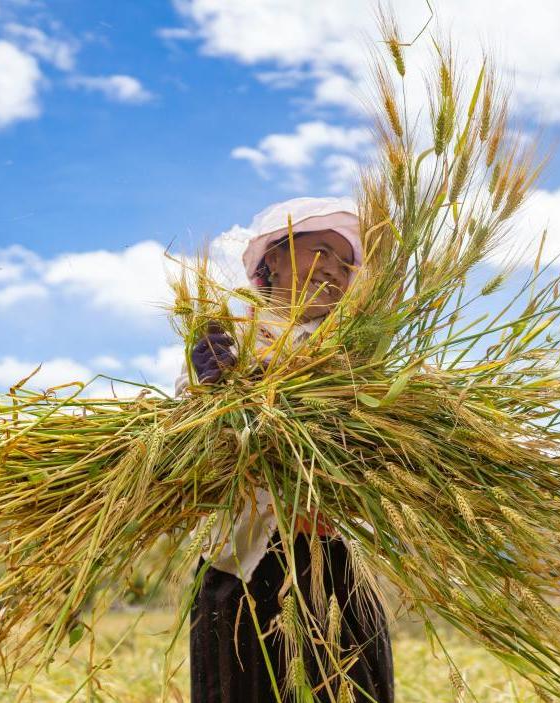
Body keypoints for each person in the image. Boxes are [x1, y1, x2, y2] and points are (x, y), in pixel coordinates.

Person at [175, 197, 395, 703]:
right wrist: (214, 392)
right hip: (245, 565)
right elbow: (193, 437)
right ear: (272, 257)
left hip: (339, 565)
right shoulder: (231, 334)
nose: (334, 270)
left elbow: (378, 450)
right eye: (321, 251)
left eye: (346, 262)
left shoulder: (355, 355)